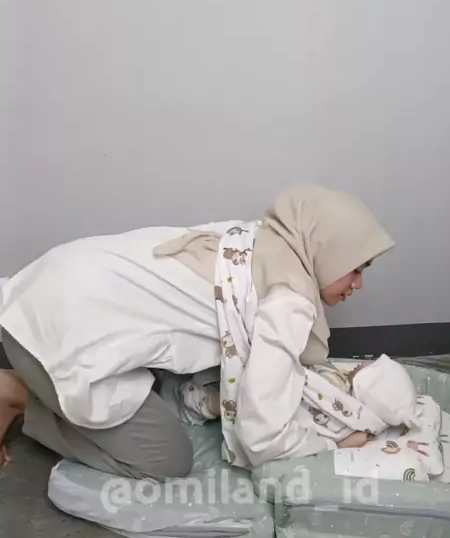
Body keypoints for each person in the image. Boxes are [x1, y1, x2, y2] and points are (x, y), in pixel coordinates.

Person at [0, 185, 394, 477]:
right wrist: (330, 442)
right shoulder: (287, 300)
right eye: (356, 268)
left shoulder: (258, 239)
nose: (357, 284)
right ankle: (16, 393)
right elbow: (261, 438)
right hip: (56, 337)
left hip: (38, 290)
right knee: (166, 460)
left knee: (162, 380)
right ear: (328, 249)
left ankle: (29, 380)